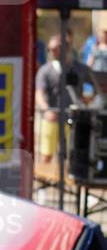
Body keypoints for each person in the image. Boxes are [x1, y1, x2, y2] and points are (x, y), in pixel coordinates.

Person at [34, 33, 96, 163]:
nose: (52, 52)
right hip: (52, 119)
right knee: (47, 156)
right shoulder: (45, 70)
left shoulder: (80, 69)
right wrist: (47, 110)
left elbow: (98, 84)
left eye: (55, 49)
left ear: (66, 49)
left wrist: (89, 100)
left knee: (73, 156)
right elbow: (39, 93)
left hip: (74, 119)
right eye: (50, 49)